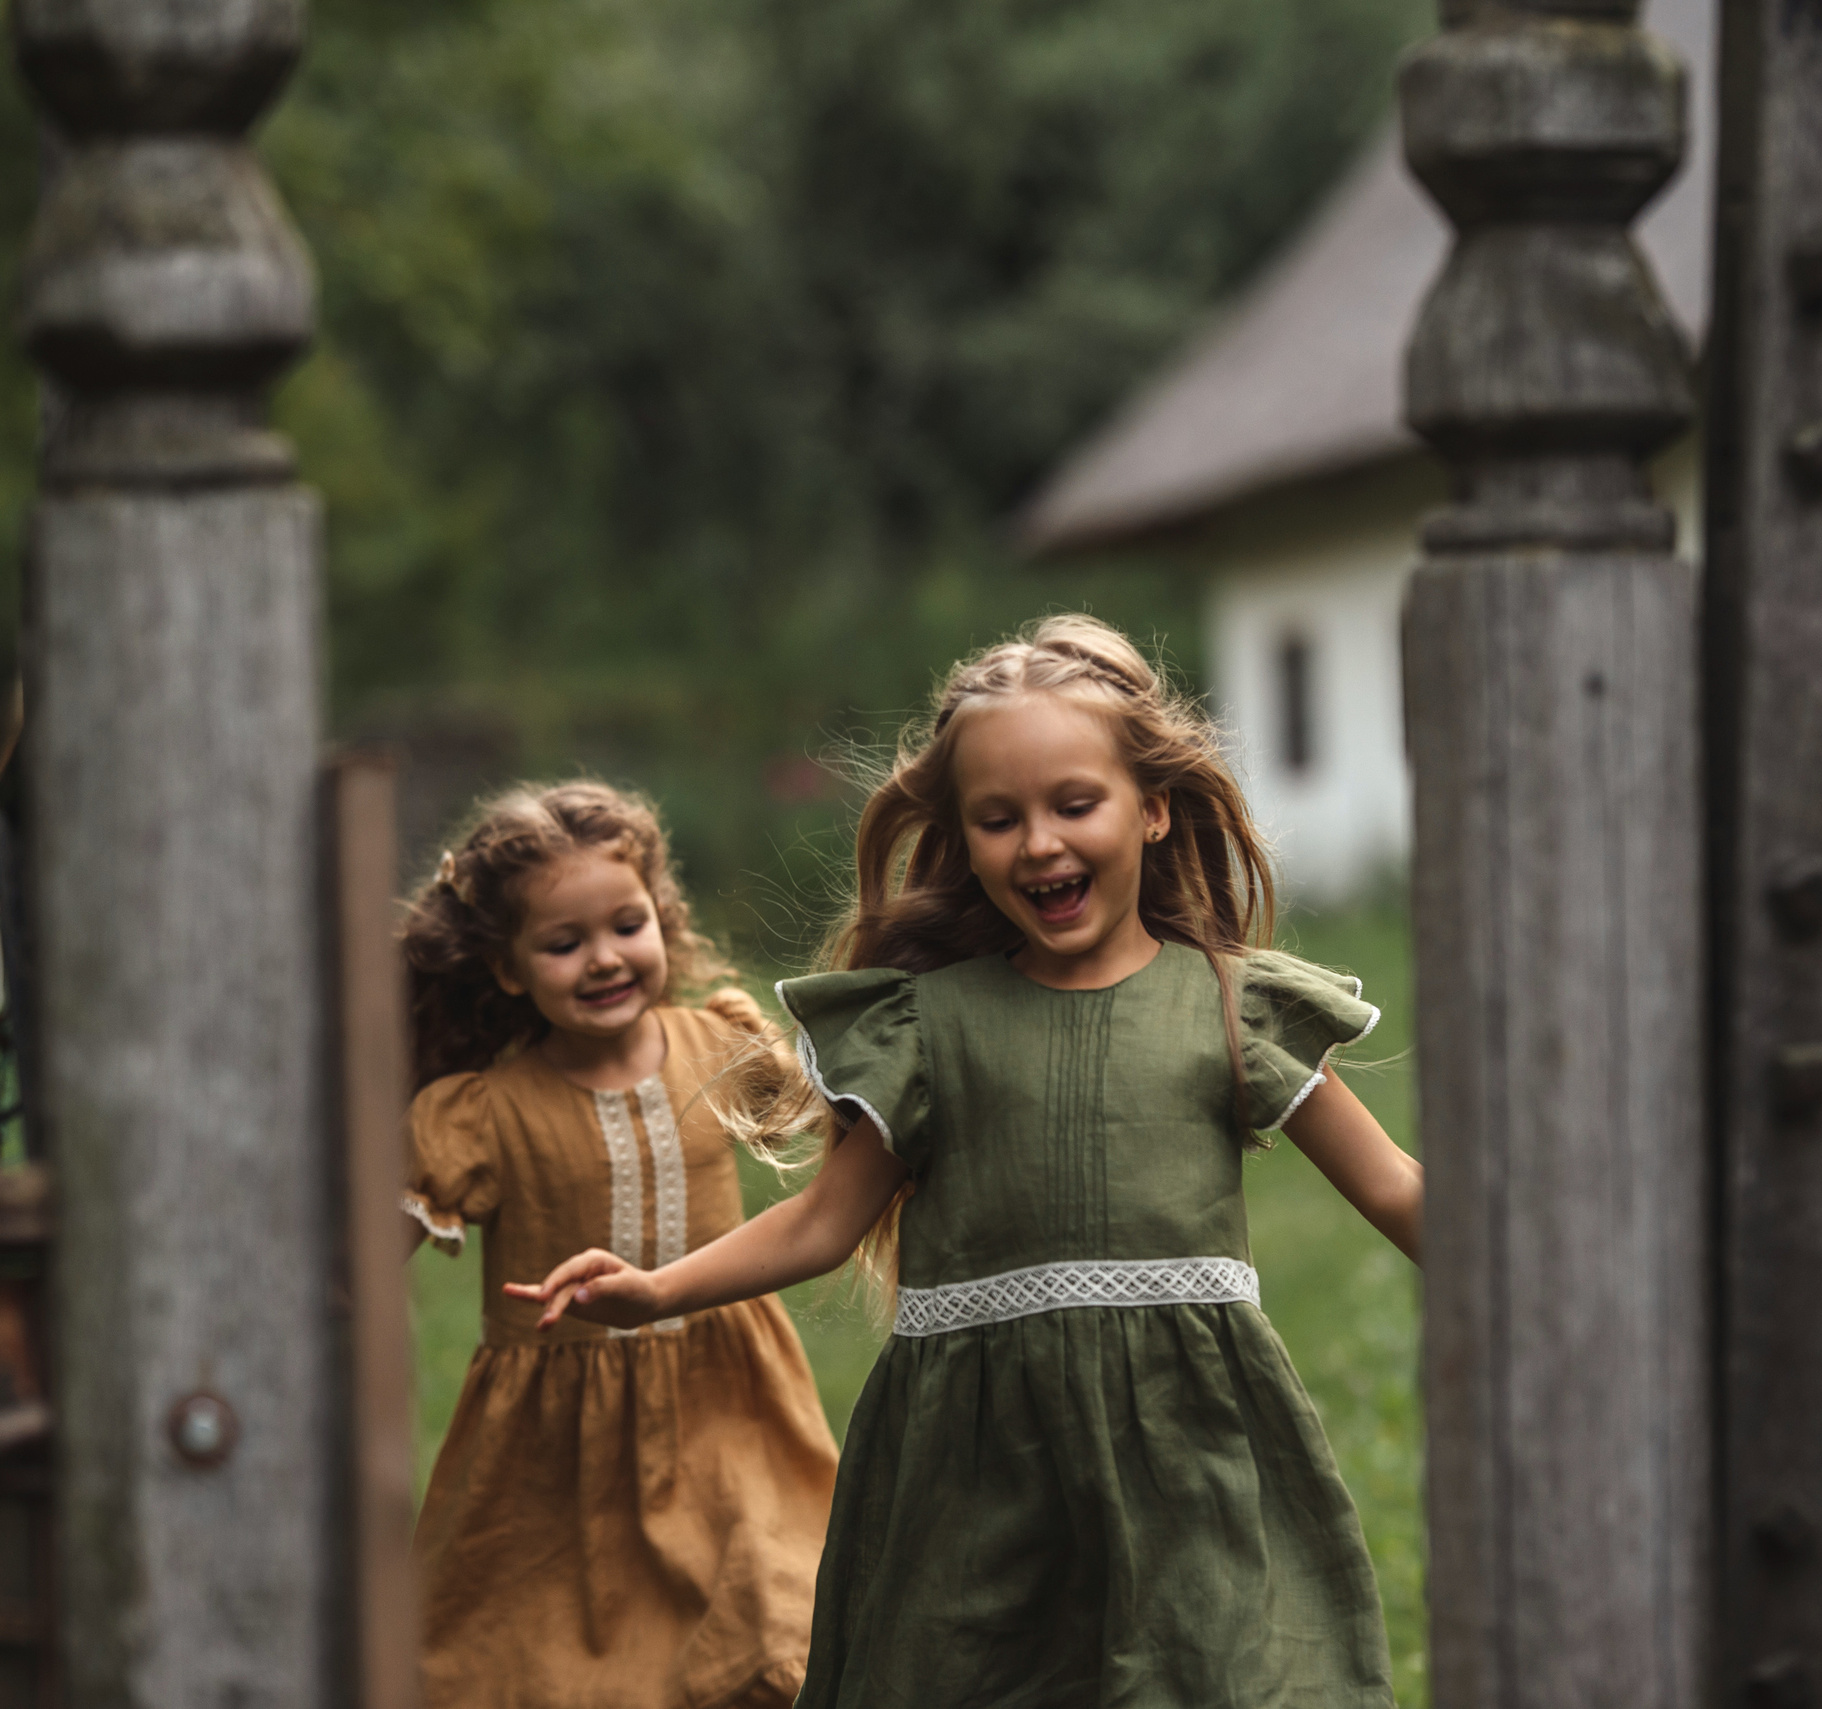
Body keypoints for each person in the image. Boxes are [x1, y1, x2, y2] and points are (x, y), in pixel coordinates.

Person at [512, 617, 1424, 1707]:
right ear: (962, 835)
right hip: (973, 1470)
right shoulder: (926, 1025)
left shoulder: (1233, 1006)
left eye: (1073, 804)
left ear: (1154, 806)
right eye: (999, 818)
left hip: (1190, 1448)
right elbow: (818, 1224)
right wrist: (656, 1288)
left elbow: (1394, 1189)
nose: (1038, 843)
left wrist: (1554, 1261)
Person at [398, 780, 839, 1709]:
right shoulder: (485, 1110)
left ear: (662, 920)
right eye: (564, 943)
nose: (604, 958)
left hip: (731, 1404)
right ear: (510, 969)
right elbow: (373, 1241)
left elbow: (838, 1125)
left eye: (625, 925)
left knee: (771, 1611)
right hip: (557, 1441)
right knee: (554, 1653)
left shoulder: (716, 1042)